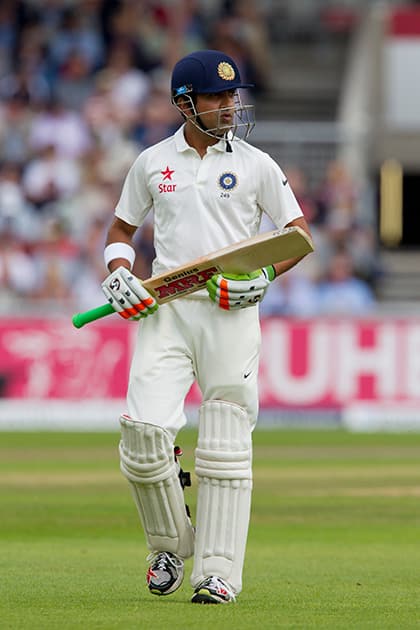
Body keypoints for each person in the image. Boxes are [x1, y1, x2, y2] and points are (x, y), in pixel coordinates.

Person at [100, 49, 311, 605]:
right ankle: (169, 544)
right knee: (144, 436)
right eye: (216, 97)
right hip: (166, 310)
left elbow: (297, 234)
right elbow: (120, 230)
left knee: (223, 443)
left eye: (231, 95)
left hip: (229, 310)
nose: (228, 105)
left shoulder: (256, 163)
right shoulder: (151, 162)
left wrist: (262, 275)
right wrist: (120, 273)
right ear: (183, 104)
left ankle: (218, 573)